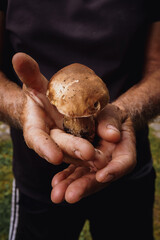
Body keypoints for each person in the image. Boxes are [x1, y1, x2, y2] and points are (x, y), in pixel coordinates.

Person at [0, 0, 160, 239]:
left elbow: (157, 64)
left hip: (125, 158)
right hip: (37, 175)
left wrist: (123, 112)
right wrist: (24, 107)